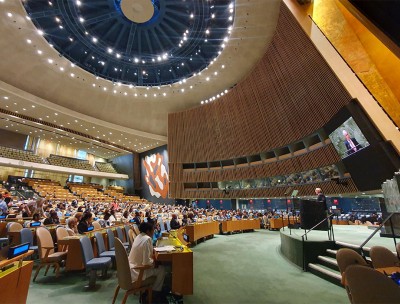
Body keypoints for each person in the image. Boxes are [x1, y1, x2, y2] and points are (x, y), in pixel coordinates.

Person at [128, 222, 166, 302]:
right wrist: (154, 262)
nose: (154, 232)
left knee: (158, 266)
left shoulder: (138, 236)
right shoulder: (147, 239)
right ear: (148, 231)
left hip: (131, 270)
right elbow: (146, 263)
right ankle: (154, 294)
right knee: (162, 269)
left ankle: (151, 291)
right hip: (138, 273)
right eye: (153, 230)